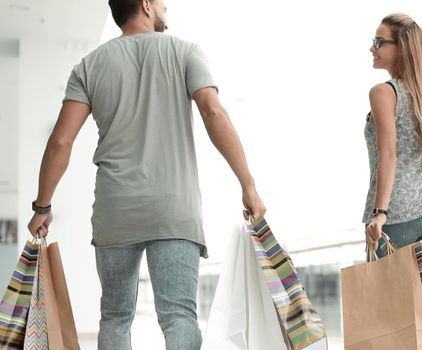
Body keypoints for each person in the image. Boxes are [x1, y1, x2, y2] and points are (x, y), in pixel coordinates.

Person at [26, 0, 266, 349]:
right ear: (146, 5)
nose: (167, 8)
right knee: (178, 316)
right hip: (173, 208)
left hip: (115, 210)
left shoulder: (89, 66)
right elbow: (214, 113)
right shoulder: (184, 52)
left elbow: (61, 141)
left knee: (115, 316)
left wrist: (42, 206)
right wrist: (248, 185)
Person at [363, 13, 422, 277]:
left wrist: (380, 213)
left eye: (379, 42)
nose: (372, 48)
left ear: (401, 48)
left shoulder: (383, 93)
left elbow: (388, 155)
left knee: (390, 314)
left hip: (397, 217)